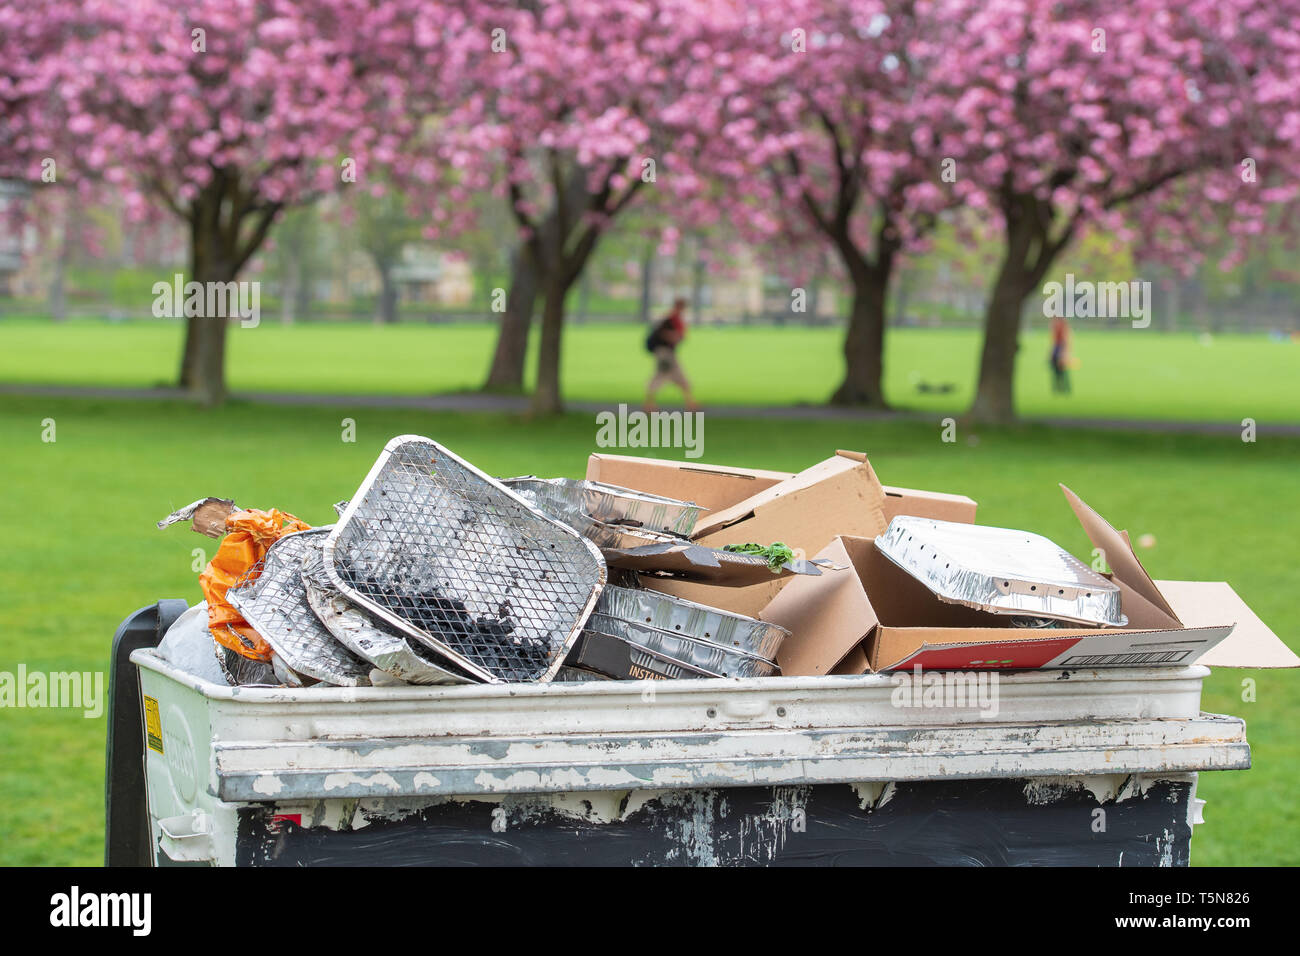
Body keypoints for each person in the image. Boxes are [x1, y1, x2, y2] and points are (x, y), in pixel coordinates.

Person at [644, 297, 699, 411]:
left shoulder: (673, 318)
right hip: (664, 352)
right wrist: (674, 336)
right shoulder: (671, 319)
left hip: (668, 352)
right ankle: (649, 404)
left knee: (679, 376)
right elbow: (664, 334)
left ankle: (690, 403)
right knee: (661, 375)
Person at [1049, 315, 1071, 394]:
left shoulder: (1061, 325)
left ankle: (1064, 388)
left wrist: (1064, 353)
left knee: (1061, 371)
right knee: (1057, 371)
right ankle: (1058, 388)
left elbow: (1065, 340)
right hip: (1057, 349)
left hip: (1059, 349)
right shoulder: (1057, 325)